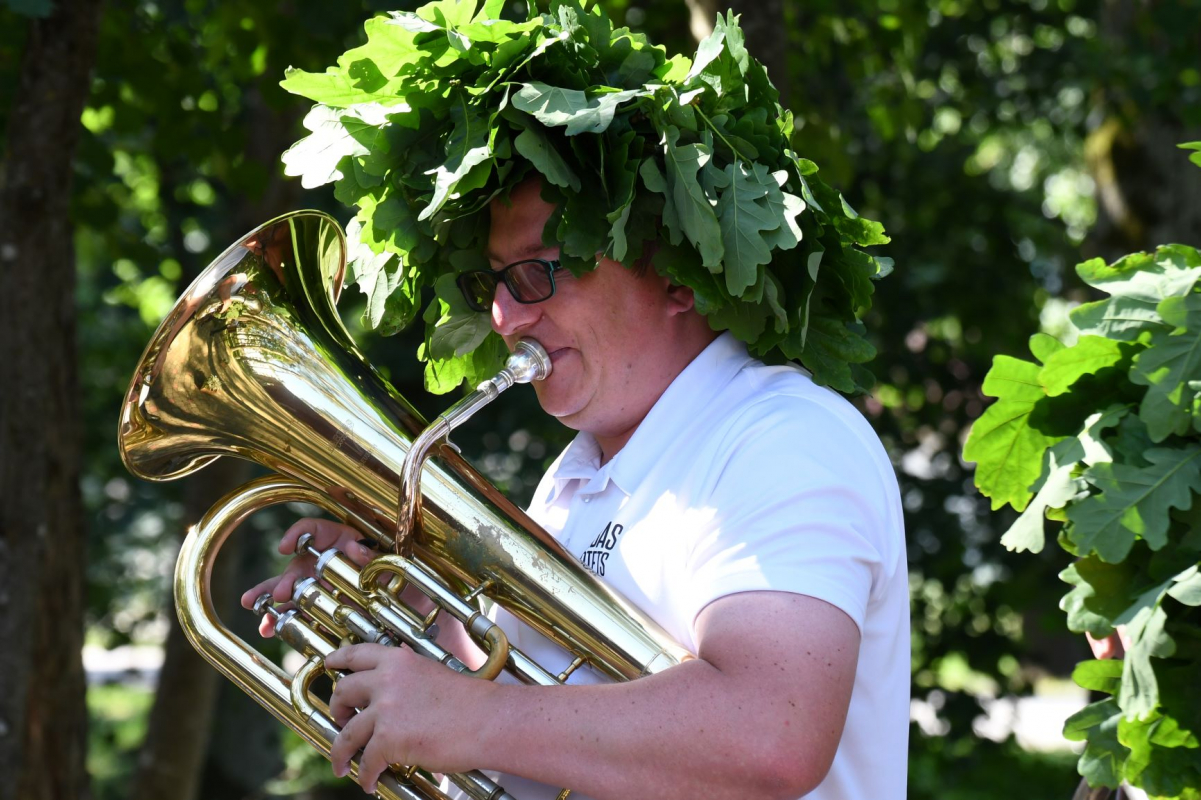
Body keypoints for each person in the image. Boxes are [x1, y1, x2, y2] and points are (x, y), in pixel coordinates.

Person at [242, 177, 908, 800]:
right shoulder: (575, 474)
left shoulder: (781, 436)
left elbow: (770, 734)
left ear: (677, 277)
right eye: (494, 283)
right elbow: (535, 699)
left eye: (540, 271)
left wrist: (480, 719)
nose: (503, 318)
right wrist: (397, 598)